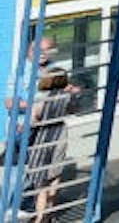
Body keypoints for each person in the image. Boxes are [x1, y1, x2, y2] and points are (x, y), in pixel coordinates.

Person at [25, 69, 73, 222]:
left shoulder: (41, 98)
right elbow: (72, 110)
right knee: (54, 175)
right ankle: (50, 211)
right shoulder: (66, 96)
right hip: (61, 134)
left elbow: (33, 120)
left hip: (43, 137)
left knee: (40, 179)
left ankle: (40, 217)